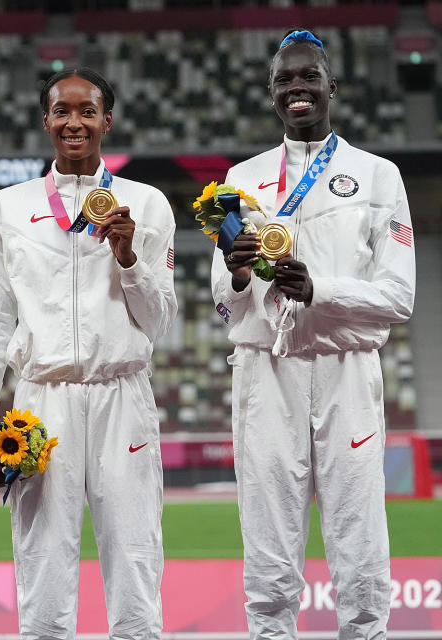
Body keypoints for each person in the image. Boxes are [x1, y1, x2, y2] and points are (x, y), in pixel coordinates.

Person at [211, 30, 416, 638]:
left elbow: (399, 298)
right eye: (284, 80)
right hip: (264, 373)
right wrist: (239, 272)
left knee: (358, 537)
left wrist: (319, 291)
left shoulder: (378, 176)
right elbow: (225, 304)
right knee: (269, 544)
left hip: (345, 370)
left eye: (308, 78)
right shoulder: (239, 179)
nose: (297, 88)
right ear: (271, 93)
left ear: (333, 88)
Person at [0, 68, 177, 639]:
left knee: (134, 560)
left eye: (87, 111)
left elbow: (160, 322)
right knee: (42, 566)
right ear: (46, 121)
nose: (74, 122)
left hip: (123, 395)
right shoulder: (9, 207)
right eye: (62, 111)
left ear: (107, 120)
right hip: (41, 401)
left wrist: (129, 258)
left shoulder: (147, 205)